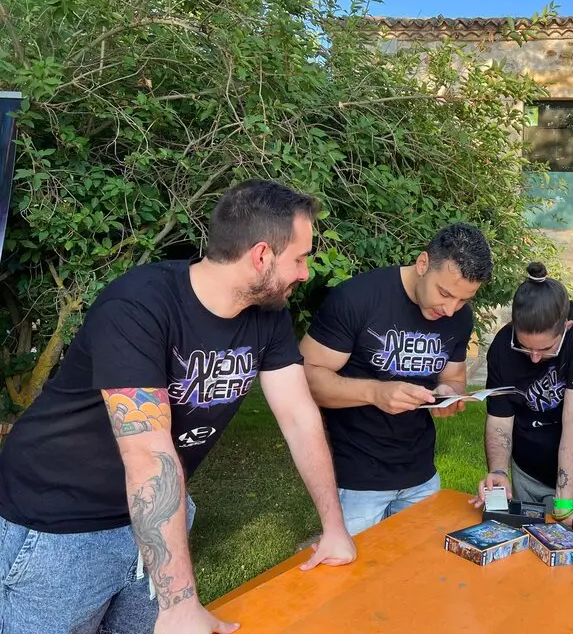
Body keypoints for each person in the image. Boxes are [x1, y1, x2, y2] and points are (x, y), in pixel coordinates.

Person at [0, 180, 356, 634]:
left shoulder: (269, 316)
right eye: (300, 258)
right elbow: (148, 452)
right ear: (262, 255)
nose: (306, 272)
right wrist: (181, 604)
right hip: (61, 524)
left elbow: (300, 418)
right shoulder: (138, 305)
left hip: (157, 515)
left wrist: (334, 529)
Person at [300, 223, 492, 535]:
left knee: (414, 574)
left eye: (463, 300)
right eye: (444, 293)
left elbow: (455, 377)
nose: (450, 309)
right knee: (352, 577)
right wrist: (375, 392)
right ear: (423, 263)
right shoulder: (357, 298)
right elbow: (306, 378)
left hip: (421, 475)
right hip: (357, 477)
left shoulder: (459, 317)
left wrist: (448, 393)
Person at [469, 262, 573, 521]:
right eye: (525, 347)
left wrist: (565, 503)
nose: (534, 358)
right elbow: (500, 418)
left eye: (546, 349)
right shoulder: (502, 346)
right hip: (529, 472)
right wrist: (499, 472)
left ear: (566, 327)